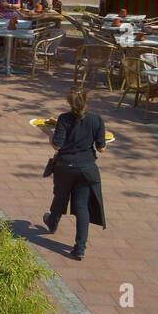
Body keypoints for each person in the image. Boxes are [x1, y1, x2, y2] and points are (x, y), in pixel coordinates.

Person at [43, 87, 107, 260]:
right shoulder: (97, 120)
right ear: (87, 100)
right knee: (82, 207)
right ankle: (79, 248)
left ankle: (52, 222)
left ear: (69, 102)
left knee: (60, 196)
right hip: (87, 169)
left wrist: (48, 133)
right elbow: (101, 148)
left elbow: (57, 145)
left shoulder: (64, 119)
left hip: (66, 167)